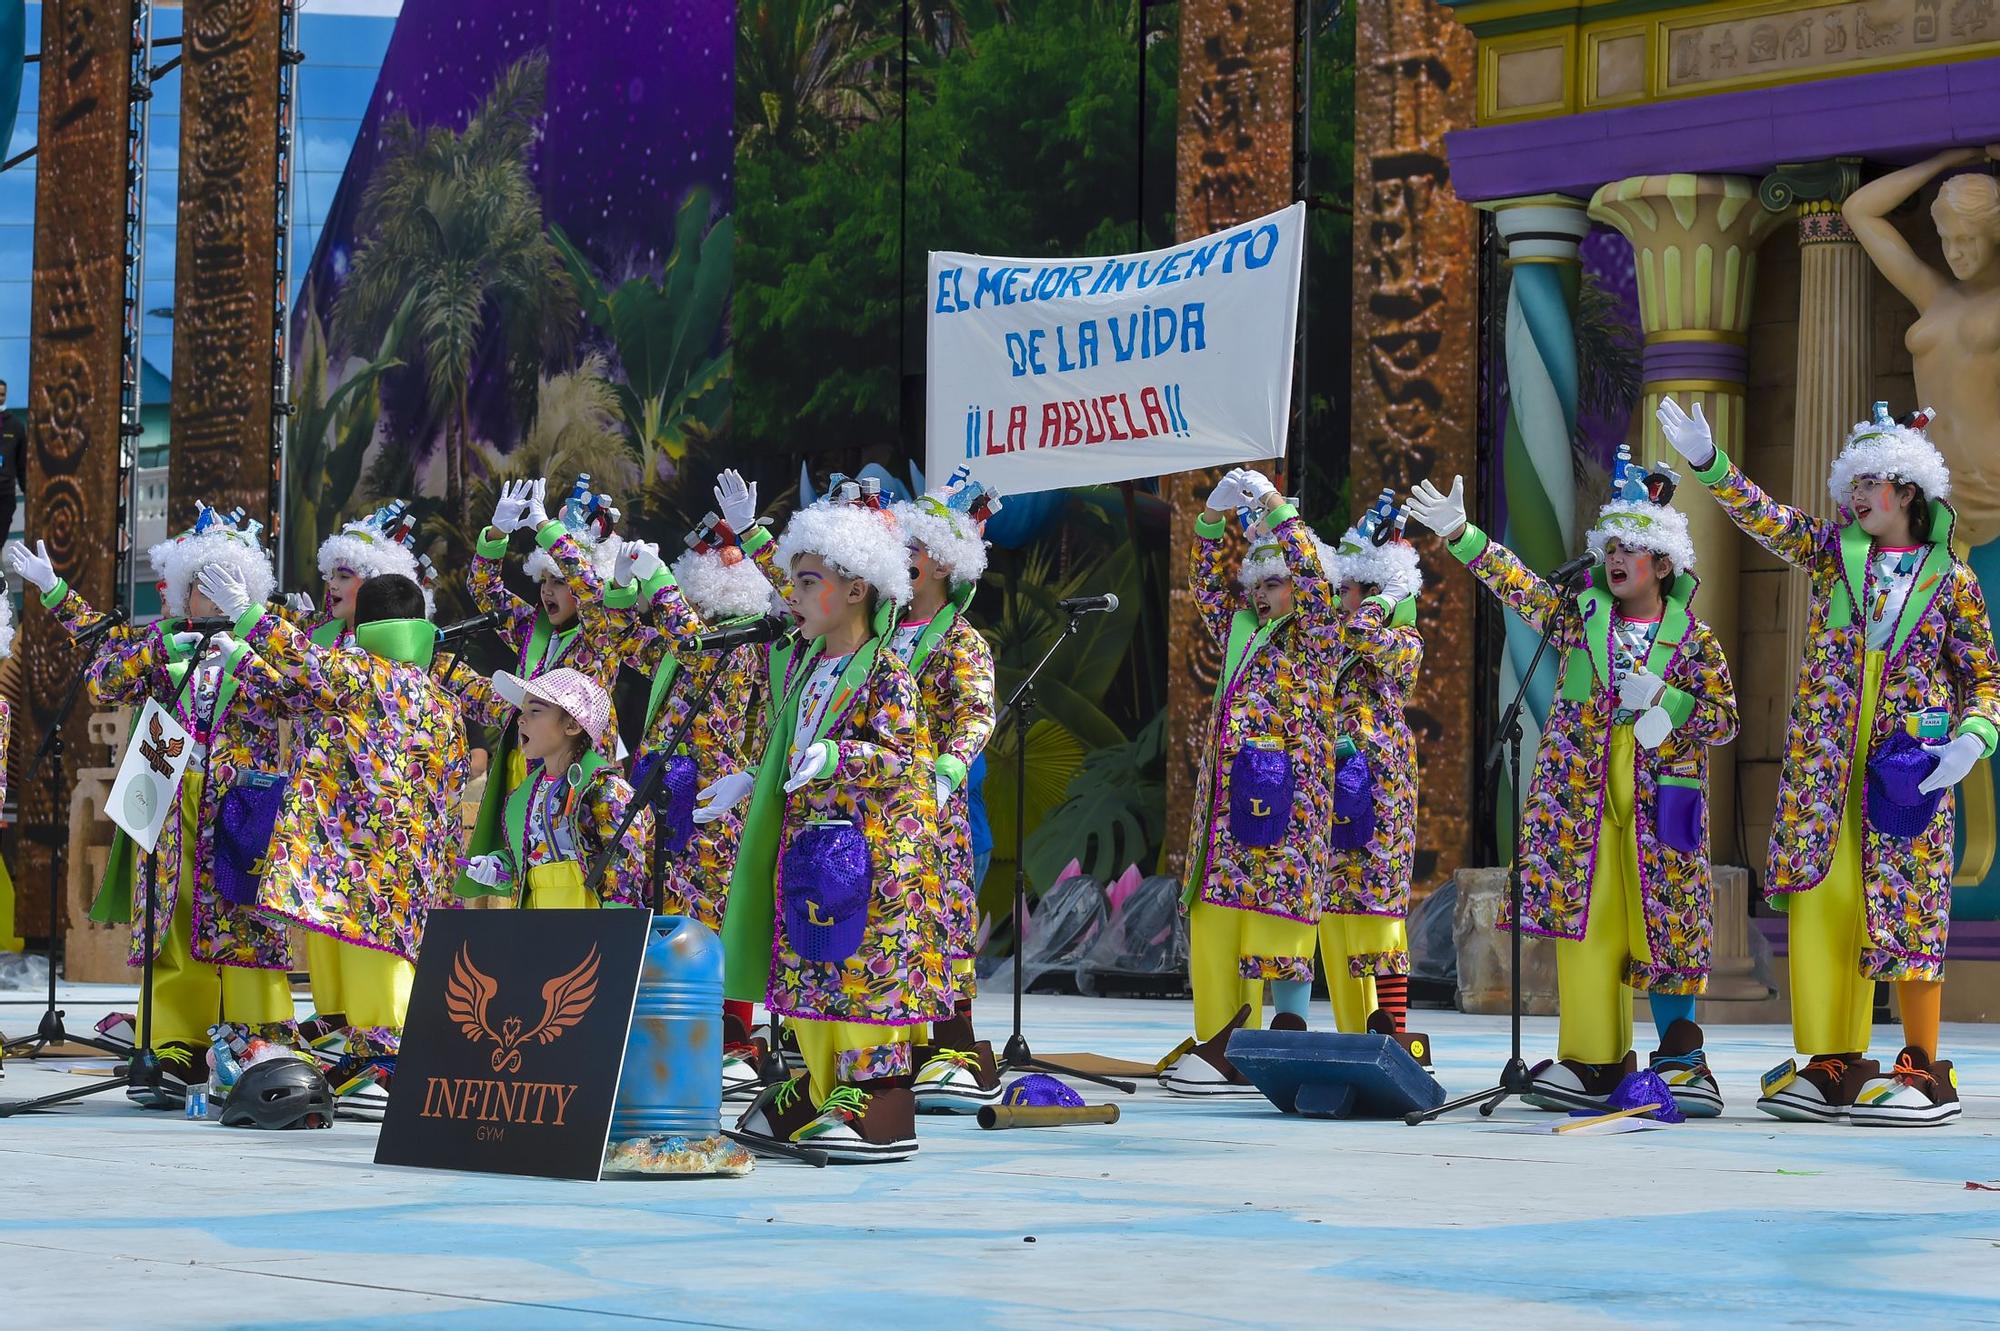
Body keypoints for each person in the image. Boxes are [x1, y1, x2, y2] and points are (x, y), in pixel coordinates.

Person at [1659, 397, 2000, 1125]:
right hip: (1824, 771)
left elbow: (1985, 677)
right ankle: (1833, 1062)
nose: (1854, 496)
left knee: (1908, 907)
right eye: (1851, 483)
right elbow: (1766, 518)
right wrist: (1708, 463)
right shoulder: (1832, 555)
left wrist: (1974, 736)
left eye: (1869, 483)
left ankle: (1924, 1070)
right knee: (1824, 908)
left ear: (1906, 490)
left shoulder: (1953, 580)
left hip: (1907, 768)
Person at [1408, 448, 1738, 1115]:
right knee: (1587, 925)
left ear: (1664, 564)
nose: (1616, 558)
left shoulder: (1695, 639)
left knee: (1666, 921)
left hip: (1657, 801)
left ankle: (1680, 1059)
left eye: (1632, 548)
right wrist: (1463, 535)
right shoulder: (1579, 616)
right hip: (1582, 798)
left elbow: (1724, 719)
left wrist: (1669, 704)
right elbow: (1522, 587)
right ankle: (1592, 1059)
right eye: (1610, 546)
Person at [7, 511, 297, 1108]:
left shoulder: (268, 640)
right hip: (169, 802)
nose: (199, 591)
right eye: (196, 579)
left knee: (243, 923)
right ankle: (173, 1042)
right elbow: (106, 673)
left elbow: (298, 686)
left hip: (238, 804)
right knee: (172, 924)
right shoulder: (167, 644)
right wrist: (60, 592)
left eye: (217, 580)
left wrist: (250, 630)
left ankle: (262, 1042)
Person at [707, 483, 950, 1163]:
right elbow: (795, 745)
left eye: (807, 580)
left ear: (855, 589)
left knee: (861, 973)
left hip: (869, 864)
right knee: (812, 970)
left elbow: (905, 761)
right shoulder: (809, 666)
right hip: (814, 854)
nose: (792, 593)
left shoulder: (887, 672)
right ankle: (820, 1085)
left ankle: (869, 1095)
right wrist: (756, 780)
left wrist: (841, 755)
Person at [198, 565, 469, 1112]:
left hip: (356, 852)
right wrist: (243, 661)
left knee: (370, 959)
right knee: (368, 952)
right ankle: (370, 1052)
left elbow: (306, 665)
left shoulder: (356, 672)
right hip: (409, 858)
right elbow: (302, 692)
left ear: (366, 622)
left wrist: (250, 617)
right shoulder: (439, 697)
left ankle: (390, 1056)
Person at [1157, 468, 1340, 1097]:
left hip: (1289, 803)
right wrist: (1211, 521)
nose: (1262, 595)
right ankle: (1225, 1036)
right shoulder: (1243, 631)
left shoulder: (1317, 634)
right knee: (1218, 915)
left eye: (1275, 583)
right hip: (1229, 803)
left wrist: (1273, 506)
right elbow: (1205, 588)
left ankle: (1282, 1034)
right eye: (1255, 584)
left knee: (1278, 911)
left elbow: (1316, 579)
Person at [614, 512, 772, 1092]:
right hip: (666, 791)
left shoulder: (744, 640)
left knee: (714, 913)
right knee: (667, 906)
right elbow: (621, 638)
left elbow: (697, 647)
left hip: (715, 798)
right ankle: (674, 1027)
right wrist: (621, 584)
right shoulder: (686, 641)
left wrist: (657, 584)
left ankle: (732, 1036)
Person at [456, 476, 634, 898]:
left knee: (579, 883)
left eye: (559, 581)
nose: (548, 591)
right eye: (544, 580)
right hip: (527, 769)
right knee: (525, 880)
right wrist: (496, 535)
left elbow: (593, 594)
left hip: (578, 779)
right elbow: (484, 590)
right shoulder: (533, 628)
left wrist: (547, 530)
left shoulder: (601, 634)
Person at [887, 473, 1001, 1113]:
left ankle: (953, 1044)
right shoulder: (874, 635)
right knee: (889, 923)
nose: (905, 554)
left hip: (936, 810)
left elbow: (975, 717)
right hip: (878, 809)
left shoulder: (962, 641)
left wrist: (949, 768)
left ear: (946, 562)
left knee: (943, 919)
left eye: (917, 546)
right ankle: (889, 1048)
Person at [1305, 492, 1426, 1049]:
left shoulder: (1403, 639)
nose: (1338, 599)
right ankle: (1355, 1036)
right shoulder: (1333, 635)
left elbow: (1366, 636)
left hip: (1378, 784)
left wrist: (1385, 599)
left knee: (1376, 905)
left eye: (1348, 588)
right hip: (1331, 775)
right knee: (1334, 905)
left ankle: (1395, 1036)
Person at [461, 668, 652, 909]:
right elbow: (532, 860)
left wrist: (616, 931)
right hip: (535, 926)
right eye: (523, 710)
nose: (521, 718)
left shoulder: (606, 789)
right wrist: (500, 868)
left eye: (535, 711)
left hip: (589, 924)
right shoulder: (525, 794)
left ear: (572, 725)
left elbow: (624, 869)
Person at [0, 380, 25, 542]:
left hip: (5, 493)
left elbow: (22, 464)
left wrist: (27, 492)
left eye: (2, 394)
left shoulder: (15, 426)